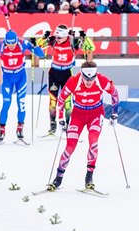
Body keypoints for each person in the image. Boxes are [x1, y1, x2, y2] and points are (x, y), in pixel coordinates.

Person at [47, 61, 119, 191]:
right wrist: (61, 118)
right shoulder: (73, 81)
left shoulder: (102, 80)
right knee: (70, 147)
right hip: (78, 115)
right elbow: (61, 99)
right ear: (82, 75)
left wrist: (115, 114)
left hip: (95, 115)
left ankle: (89, 177)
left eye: (92, 78)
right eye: (86, 78)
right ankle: (58, 178)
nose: (89, 82)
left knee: (93, 142)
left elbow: (115, 94)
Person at [0, 30, 45, 144]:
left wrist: (35, 46)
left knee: (21, 103)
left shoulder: (22, 44)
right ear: (6, 41)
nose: (11, 46)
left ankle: (20, 129)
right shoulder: (0, 45)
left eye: (13, 44)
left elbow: (41, 54)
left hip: (21, 77)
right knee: (6, 104)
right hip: (8, 78)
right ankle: (1, 131)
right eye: (9, 44)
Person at [36, 24, 95, 135]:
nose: (57, 39)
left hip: (67, 74)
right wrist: (44, 37)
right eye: (56, 37)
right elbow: (39, 46)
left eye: (60, 37)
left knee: (67, 102)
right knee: (53, 101)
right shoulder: (53, 40)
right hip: (54, 73)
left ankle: (68, 126)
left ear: (65, 36)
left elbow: (91, 48)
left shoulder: (73, 42)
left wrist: (84, 37)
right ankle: (52, 126)